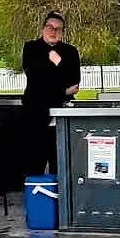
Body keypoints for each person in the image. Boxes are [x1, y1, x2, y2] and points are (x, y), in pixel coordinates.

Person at [21, 11, 81, 176]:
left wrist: (56, 64)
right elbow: (35, 78)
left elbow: (75, 84)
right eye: (50, 27)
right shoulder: (31, 48)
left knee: (62, 163)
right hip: (35, 114)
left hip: (61, 114)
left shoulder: (71, 52)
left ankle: (62, 200)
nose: (53, 31)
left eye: (58, 29)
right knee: (34, 164)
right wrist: (62, 87)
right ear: (43, 29)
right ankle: (36, 200)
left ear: (63, 32)